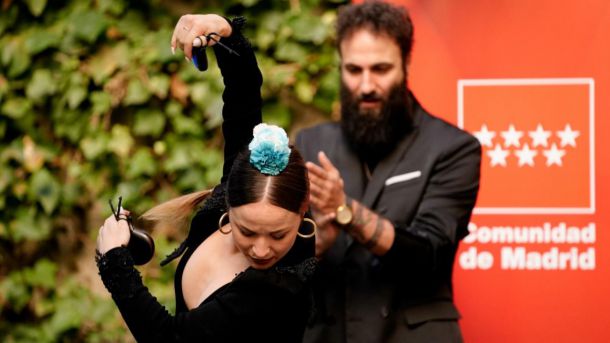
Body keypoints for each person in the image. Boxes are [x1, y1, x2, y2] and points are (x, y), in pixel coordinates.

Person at [95, 14, 317, 342]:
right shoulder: (245, 182)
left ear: (302, 215)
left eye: (278, 235)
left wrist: (114, 261)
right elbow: (243, 99)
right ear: (230, 200)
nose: (260, 249)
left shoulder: (277, 291)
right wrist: (224, 32)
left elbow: (168, 338)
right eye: (247, 229)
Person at [295, 1, 481, 342]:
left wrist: (344, 211)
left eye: (381, 69)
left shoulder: (454, 148)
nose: (366, 86)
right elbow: (277, 257)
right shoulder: (311, 144)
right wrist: (314, 244)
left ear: (406, 64)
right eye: (353, 70)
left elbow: (430, 253)